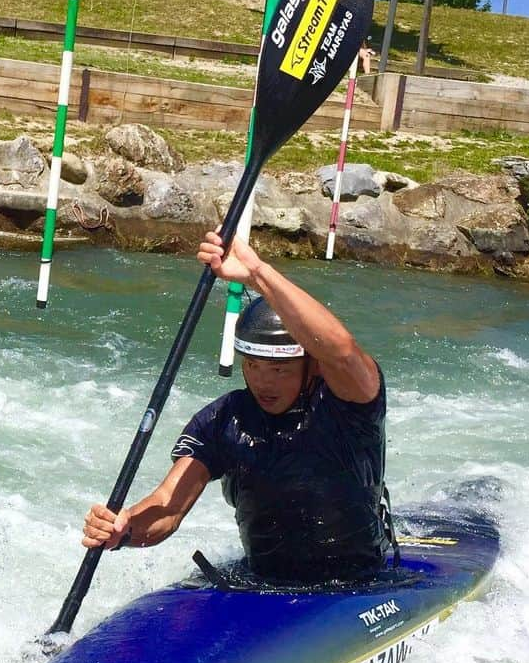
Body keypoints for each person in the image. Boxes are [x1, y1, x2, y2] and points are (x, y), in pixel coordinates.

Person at [82, 229, 392, 587]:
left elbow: (341, 350)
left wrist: (256, 273)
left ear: (313, 366)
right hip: (262, 583)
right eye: (253, 365)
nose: (263, 382)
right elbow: (168, 508)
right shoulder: (222, 419)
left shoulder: (349, 403)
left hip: (360, 583)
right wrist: (124, 527)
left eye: (278, 369)